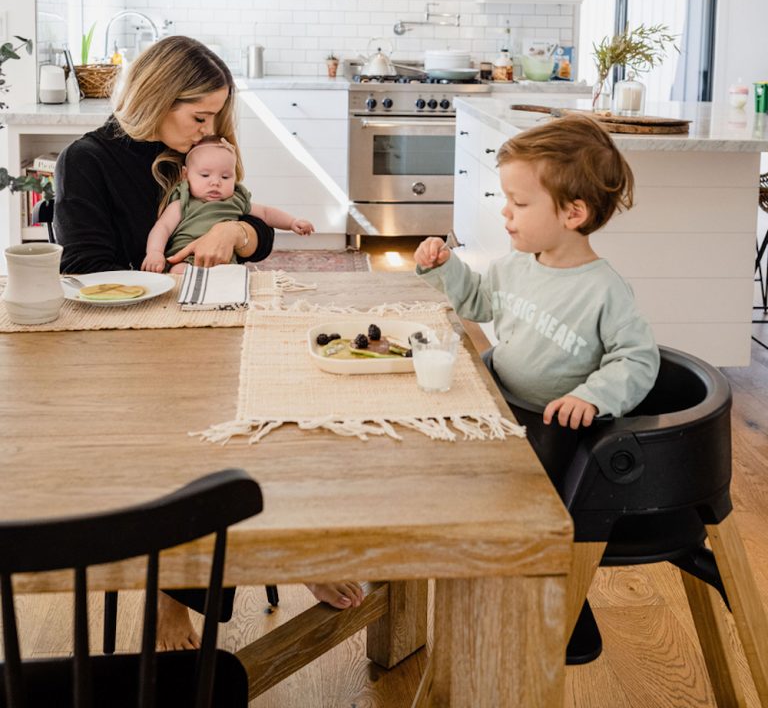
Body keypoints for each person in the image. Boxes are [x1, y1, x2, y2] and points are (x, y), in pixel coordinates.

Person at [53, 36, 363, 647]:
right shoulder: (86, 160)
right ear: (157, 99)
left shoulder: (194, 150)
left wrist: (237, 235)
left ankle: (286, 548)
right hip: (127, 346)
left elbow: (252, 224)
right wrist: (166, 265)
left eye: (216, 118)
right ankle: (171, 592)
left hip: (207, 317)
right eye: (199, 116)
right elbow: (85, 268)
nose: (208, 132)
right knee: (183, 433)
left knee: (276, 412)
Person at [414, 113, 659, 484]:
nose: (505, 210)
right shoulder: (513, 266)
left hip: (555, 433)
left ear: (573, 213)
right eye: (506, 199)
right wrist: (447, 267)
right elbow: (478, 303)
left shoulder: (604, 290)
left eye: (520, 203)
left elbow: (637, 359)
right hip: (499, 404)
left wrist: (592, 397)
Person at [142, 135, 314, 274]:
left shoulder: (235, 201)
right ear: (185, 175)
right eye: (205, 175)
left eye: (225, 177)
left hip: (223, 261)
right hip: (185, 258)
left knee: (234, 278)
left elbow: (267, 214)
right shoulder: (183, 202)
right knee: (181, 272)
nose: (215, 182)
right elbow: (162, 228)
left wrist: (292, 222)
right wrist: (155, 253)